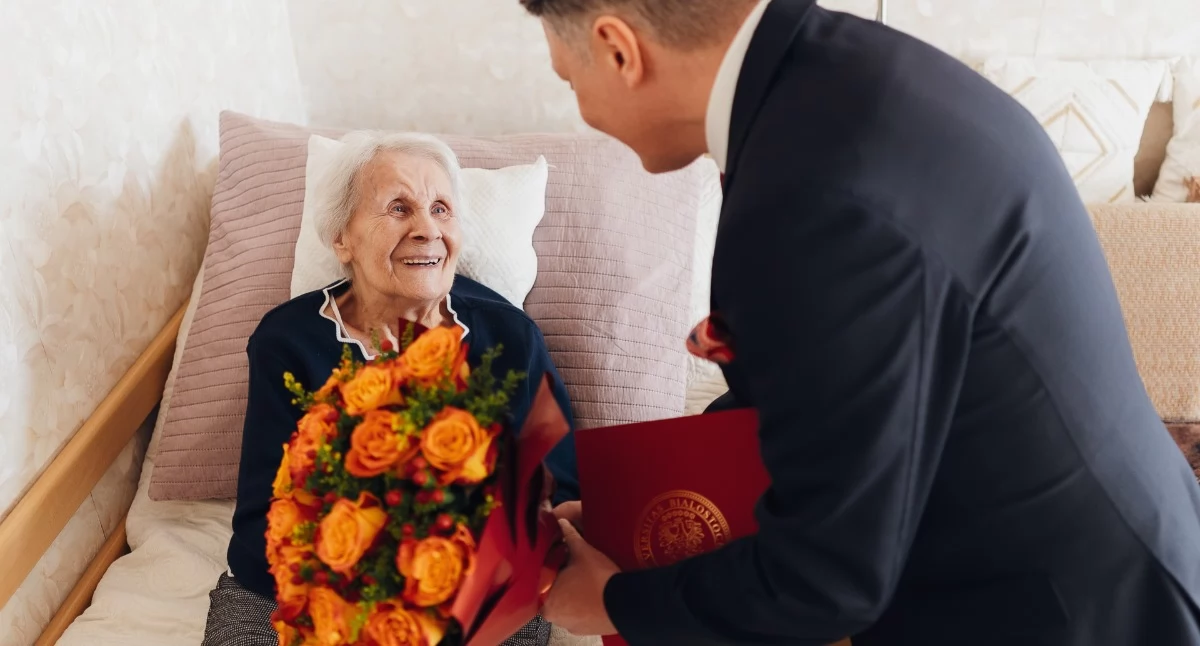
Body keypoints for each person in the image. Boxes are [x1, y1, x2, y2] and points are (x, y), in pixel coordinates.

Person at [525, 1, 1200, 644]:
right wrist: (638, 502)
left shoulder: (813, 196)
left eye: (568, 78)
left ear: (618, 49)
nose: (582, 111)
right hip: (1111, 556)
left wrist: (615, 603)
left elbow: (829, 577)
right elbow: (838, 395)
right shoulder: (850, 74)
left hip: (1057, 611)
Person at [201, 132, 579, 646]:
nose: (428, 229)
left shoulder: (508, 337)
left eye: (442, 209)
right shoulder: (287, 341)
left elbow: (562, 490)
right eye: (399, 208)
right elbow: (261, 523)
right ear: (342, 239)